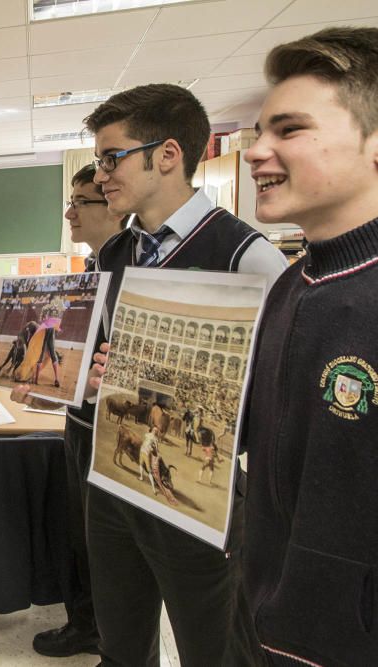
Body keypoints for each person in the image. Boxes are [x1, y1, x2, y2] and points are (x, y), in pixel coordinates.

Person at [19, 83, 289, 666]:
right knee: (121, 643)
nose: (102, 174)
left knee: (213, 650)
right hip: (114, 486)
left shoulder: (248, 257)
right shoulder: (116, 255)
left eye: (111, 158)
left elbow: (279, 405)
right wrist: (74, 386)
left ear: (166, 155)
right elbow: (98, 370)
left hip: (197, 505)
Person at [240, 26, 378, 666]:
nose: (255, 151)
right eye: (260, 131)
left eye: (289, 130)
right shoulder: (293, 285)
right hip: (272, 622)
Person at [29, 163, 128, 658]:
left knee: (102, 547)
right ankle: (86, 622)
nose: (69, 212)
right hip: (79, 423)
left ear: (112, 205)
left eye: (80, 202)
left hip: (108, 432)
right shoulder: (95, 267)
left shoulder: (129, 268)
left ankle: (101, 631)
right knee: (80, 536)